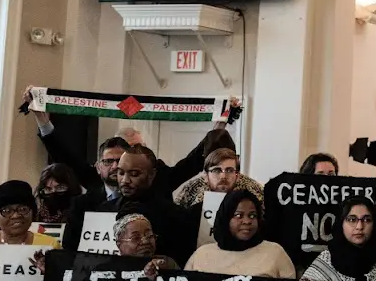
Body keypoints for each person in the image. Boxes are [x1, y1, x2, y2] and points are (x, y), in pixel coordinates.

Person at [26, 88, 240, 198]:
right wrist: (41, 119)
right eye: (108, 162)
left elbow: (193, 161)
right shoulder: (93, 185)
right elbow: (64, 156)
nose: (115, 167)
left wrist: (220, 122)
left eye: (120, 161)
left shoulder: (159, 180)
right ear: (98, 166)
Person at [63, 145, 194, 265]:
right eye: (121, 173)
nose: (125, 180)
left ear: (152, 174)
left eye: (134, 174)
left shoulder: (176, 216)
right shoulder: (102, 211)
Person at [172, 146, 265, 210]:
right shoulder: (192, 189)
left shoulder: (253, 191)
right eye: (216, 170)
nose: (223, 176)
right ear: (206, 176)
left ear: (238, 176)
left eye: (229, 170)